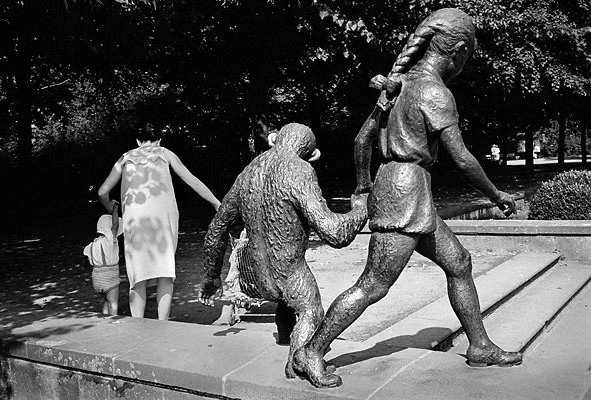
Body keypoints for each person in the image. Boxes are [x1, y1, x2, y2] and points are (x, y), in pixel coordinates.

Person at [293, 8, 522, 388]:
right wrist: (495, 194)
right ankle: (311, 351)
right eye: (467, 56)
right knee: (374, 285)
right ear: (458, 51)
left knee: (459, 263)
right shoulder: (433, 92)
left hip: (404, 192)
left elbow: (362, 141)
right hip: (405, 193)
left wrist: (364, 186)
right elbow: (462, 159)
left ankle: (480, 346)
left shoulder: (398, 86)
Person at [198, 123, 367, 379]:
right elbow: (334, 232)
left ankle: (287, 336)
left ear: (276, 140)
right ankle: (300, 365)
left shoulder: (248, 173)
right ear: (310, 153)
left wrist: (211, 277)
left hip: (259, 276)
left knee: (287, 296)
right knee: (310, 310)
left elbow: (216, 229)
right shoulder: (299, 170)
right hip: (288, 272)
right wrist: (361, 209)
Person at [98, 121, 221, 320]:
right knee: (165, 272)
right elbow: (192, 180)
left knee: (137, 276)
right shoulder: (165, 153)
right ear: (159, 140)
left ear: (138, 141)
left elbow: (102, 191)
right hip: (163, 219)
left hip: (135, 220)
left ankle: (137, 324)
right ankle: (163, 323)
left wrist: (110, 206)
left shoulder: (124, 158)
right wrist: (216, 203)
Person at [83, 204, 123, 316]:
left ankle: (104, 319)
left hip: (97, 278)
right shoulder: (109, 240)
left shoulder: (91, 245)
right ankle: (113, 321)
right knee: (113, 304)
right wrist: (115, 209)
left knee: (106, 300)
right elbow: (115, 225)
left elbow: (89, 259)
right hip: (109, 276)